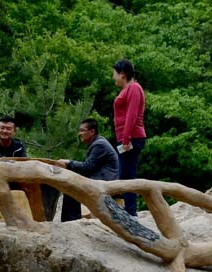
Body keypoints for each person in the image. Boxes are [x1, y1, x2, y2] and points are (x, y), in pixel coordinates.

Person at [57, 118, 119, 222]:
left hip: (105, 181)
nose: (79, 133)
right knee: (72, 179)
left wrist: (68, 162)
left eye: (82, 130)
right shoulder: (97, 143)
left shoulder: (99, 144)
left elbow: (87, 167)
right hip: (101, 177)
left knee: (71, 185)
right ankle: (70, 219)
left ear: (92, 132)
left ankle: (71, 221)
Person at [112, 59, 146, 217]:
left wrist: (126, 140)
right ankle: (129, 209)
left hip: (131, 137)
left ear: (123, 74)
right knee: (124, 174)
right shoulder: (129, 89)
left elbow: (131, 115)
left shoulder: (133, 88)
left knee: (128, 174)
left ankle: (131, 212)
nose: (113, 78)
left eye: (115, 74)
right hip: (127, 137)